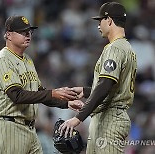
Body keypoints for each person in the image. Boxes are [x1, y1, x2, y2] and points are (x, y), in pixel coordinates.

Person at [0, 15, 83, 154]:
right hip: (10, 127)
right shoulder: (3, 59)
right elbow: (17, 95)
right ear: (8, 35)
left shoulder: (27, 59)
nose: (28, 35)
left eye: (29, 31)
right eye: (22, 32)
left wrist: (65, 103)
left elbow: (40, 92)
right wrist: (52, 93)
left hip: (30, 129)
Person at [59, 2, 137, 154]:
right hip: (110, 116)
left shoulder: (114, 48)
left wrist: (78, 118)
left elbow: (105, 85)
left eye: (100, 20)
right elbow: (113, 87)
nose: (98, 25)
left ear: (109, 20)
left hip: (110, 118)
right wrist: (86, 91)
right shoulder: (127, 48)